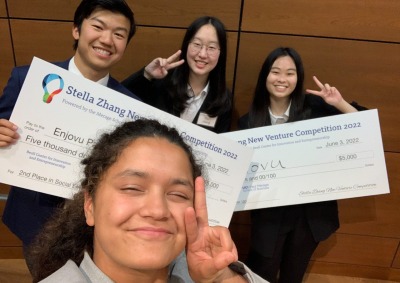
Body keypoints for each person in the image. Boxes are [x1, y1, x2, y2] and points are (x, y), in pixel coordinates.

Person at [27, 119, 267, 283]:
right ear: (90, 205)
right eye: (132, 188)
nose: (157, 210)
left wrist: (222, 277)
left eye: (178, 195)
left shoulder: (210, 275)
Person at [0, 0, 139, 271]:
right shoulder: (26, 80)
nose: (107, 39)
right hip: (35, 218)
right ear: (76, 30)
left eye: (119, 34)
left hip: (96, 225)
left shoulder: (130, 107)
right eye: (98, 26)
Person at [239, 47, 367, 283]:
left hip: (309, 215)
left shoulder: (315, 108)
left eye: (290, 73)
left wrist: (339, 103)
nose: (282, 79)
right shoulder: (248, 122)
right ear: (265, 76)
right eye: (275, 72)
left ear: (298, 78)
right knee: (261, 271)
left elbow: (364, 128)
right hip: (269, 215)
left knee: (293, 274)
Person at [122, 16, 232, 133]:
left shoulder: (223, 99)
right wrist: (147, 75)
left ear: (221, 53)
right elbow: (120, 97)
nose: (203, 54)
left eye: (211, 47)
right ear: (186, 46)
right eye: (197, 44)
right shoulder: (162, 81)